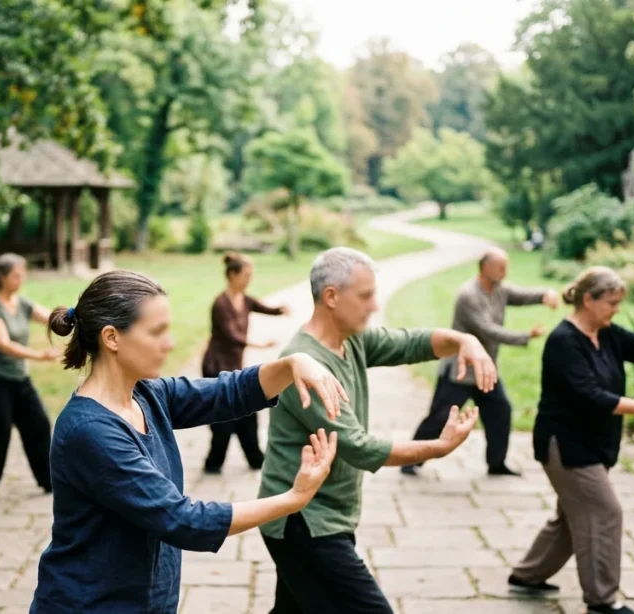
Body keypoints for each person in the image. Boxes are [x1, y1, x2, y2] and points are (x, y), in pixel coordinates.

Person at [31, 270, 346, 614]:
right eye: (157, 332)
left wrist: (293, 363)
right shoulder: (90, 431)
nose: (170, 343)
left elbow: (229, 393)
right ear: (112, 337)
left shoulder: (147, 395)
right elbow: (184, 521)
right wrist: (294, 498)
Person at [259, 247, 495, 613]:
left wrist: (466, 340)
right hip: (306, 524)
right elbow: (357, 447)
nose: (374, 305)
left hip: (320, 518)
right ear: (332, 297)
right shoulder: (305, 366)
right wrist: (438, 447)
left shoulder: (350, 340)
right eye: (366, 295)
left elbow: (411, 342)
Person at [508, 266, 634, 614]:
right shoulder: (563, 341)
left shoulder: (607, 333)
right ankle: (602, 601)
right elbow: (589, 395)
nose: (616, 309)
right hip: (566, 445)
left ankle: (527, 576)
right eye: (611, 302)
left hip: (593, 443)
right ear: (588, 299)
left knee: (573, 517)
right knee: (604, 512)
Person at [404, 246, 560, 477]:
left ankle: (496, 464)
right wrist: (526, 335)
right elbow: (488, 331)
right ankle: (410, 459)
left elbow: (520, 295)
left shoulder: (499, 289)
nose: (505, 273)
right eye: (501, 268)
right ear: (485, 268)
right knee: (440, 417)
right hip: (460, 370)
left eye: (506, 268)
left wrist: (544, 295)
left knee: (501, 411)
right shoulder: (468, 295)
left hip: (484, 370)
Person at [0, 253, 58, 498]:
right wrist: (39, 355)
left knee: (39, 425)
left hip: (20, 379)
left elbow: (52, 317)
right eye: (16, 275)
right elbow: (3, 344)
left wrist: (78, 317)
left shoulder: (22, 303)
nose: (21, 279)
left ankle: (49, 481)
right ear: (1, 277)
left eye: (22, 275)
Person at [201, 252, 291, 474]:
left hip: (234, 366)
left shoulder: (245, 299)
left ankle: (254, 458)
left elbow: (263, 308)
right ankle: (216, 462)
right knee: (226, 417)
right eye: (246, 275)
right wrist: (258, 344)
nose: (249, 279)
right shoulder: (220, 304)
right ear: (232, 275)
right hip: (217, 366)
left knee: (246, 410)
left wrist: (280, 310)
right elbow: (231, 335)